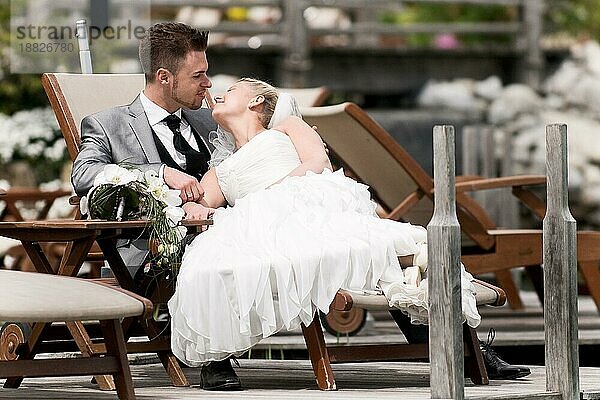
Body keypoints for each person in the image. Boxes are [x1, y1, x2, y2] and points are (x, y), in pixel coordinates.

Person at [71, 21, 528, 391]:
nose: (210, 85)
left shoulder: (209, 117)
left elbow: (256, 163)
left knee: (368, 246)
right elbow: (86, 176)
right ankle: (215, 356)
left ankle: (460, 348)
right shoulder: (108, 123)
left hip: (249, 216)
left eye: (209, 75)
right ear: (165, 77)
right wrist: (160, 178)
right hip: (168, 235)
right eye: (199, 76)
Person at [169, 78, 531, 390]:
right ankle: (216, 359)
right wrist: (198, 207)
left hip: (305, 205)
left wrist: (270, 194)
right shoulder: (221, 169)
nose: (218, 92)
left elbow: (317, 164)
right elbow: (199, 206)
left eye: (230, 89)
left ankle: (463, 346)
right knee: (208, 263)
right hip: (261, 225)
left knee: (390, 251)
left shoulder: (288, 127)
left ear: (256, 101)